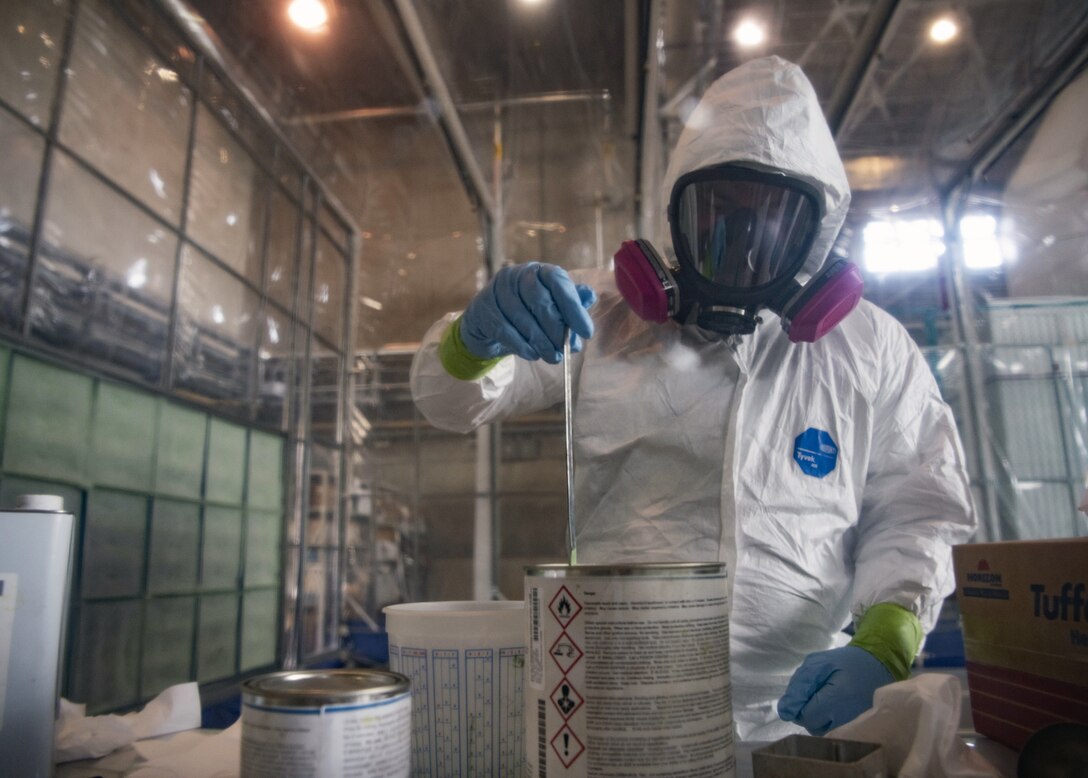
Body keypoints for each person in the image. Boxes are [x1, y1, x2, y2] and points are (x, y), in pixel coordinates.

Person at [410, 56, 977, 743]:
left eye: (770, 218)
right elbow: (450, 402)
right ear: (677, 213)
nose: (740, 243)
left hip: (795, 723)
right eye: (719, 213)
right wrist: (474, 340)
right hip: (615, 706)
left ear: (815, 230)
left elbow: (920, 507)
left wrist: (887, 635)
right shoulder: (601, 314)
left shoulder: (871, 348)